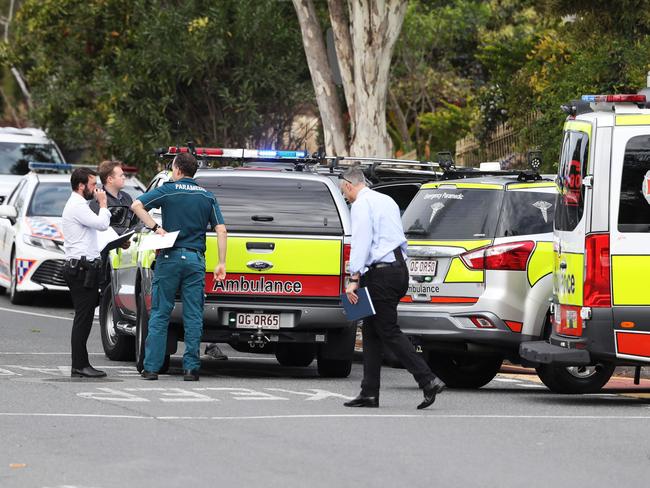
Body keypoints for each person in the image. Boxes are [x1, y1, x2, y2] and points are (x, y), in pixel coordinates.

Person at [339, 167, 445, 409]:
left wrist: (353, 278)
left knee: (387, 330)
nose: (345, 197)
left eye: (343, 192)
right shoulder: (386, 200)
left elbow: (362, 241)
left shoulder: (361, 205)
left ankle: (428, 380)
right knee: (371, 332)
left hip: (380, 274)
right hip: (396, 270)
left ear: (348, 185)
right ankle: (369, 392)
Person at [131, 152, 227, 381]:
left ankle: (152, 368)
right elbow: (221, 230)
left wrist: (156, 228)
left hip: (169, 258)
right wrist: (221, 262)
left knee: (160, 313)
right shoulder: (207, 196)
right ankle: (191, 369)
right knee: (193, 315)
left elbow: (136, 205)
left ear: (177, 169)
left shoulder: (168, 189)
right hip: (195, 260)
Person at [62, 167, 111, 378]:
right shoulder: (77, 205)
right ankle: (79, 365)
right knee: (83, 318)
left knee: (84, 317)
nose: (96, 188)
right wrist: (103, 203)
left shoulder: (79, 205)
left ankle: (81, 363)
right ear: (81, 186)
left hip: (83, 267)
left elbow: (94, 233)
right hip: (81, 269)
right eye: (92, 184)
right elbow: (101, 224)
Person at [89, 160, 135, 294]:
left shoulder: (127, 198)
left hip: (127, 253)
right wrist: (119, 239)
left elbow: (133, 221)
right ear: (110, 179)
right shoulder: (97, 201)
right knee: (106, 288)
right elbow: (100, 229)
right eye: (121, 175)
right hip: (106, 257)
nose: (124, 177)